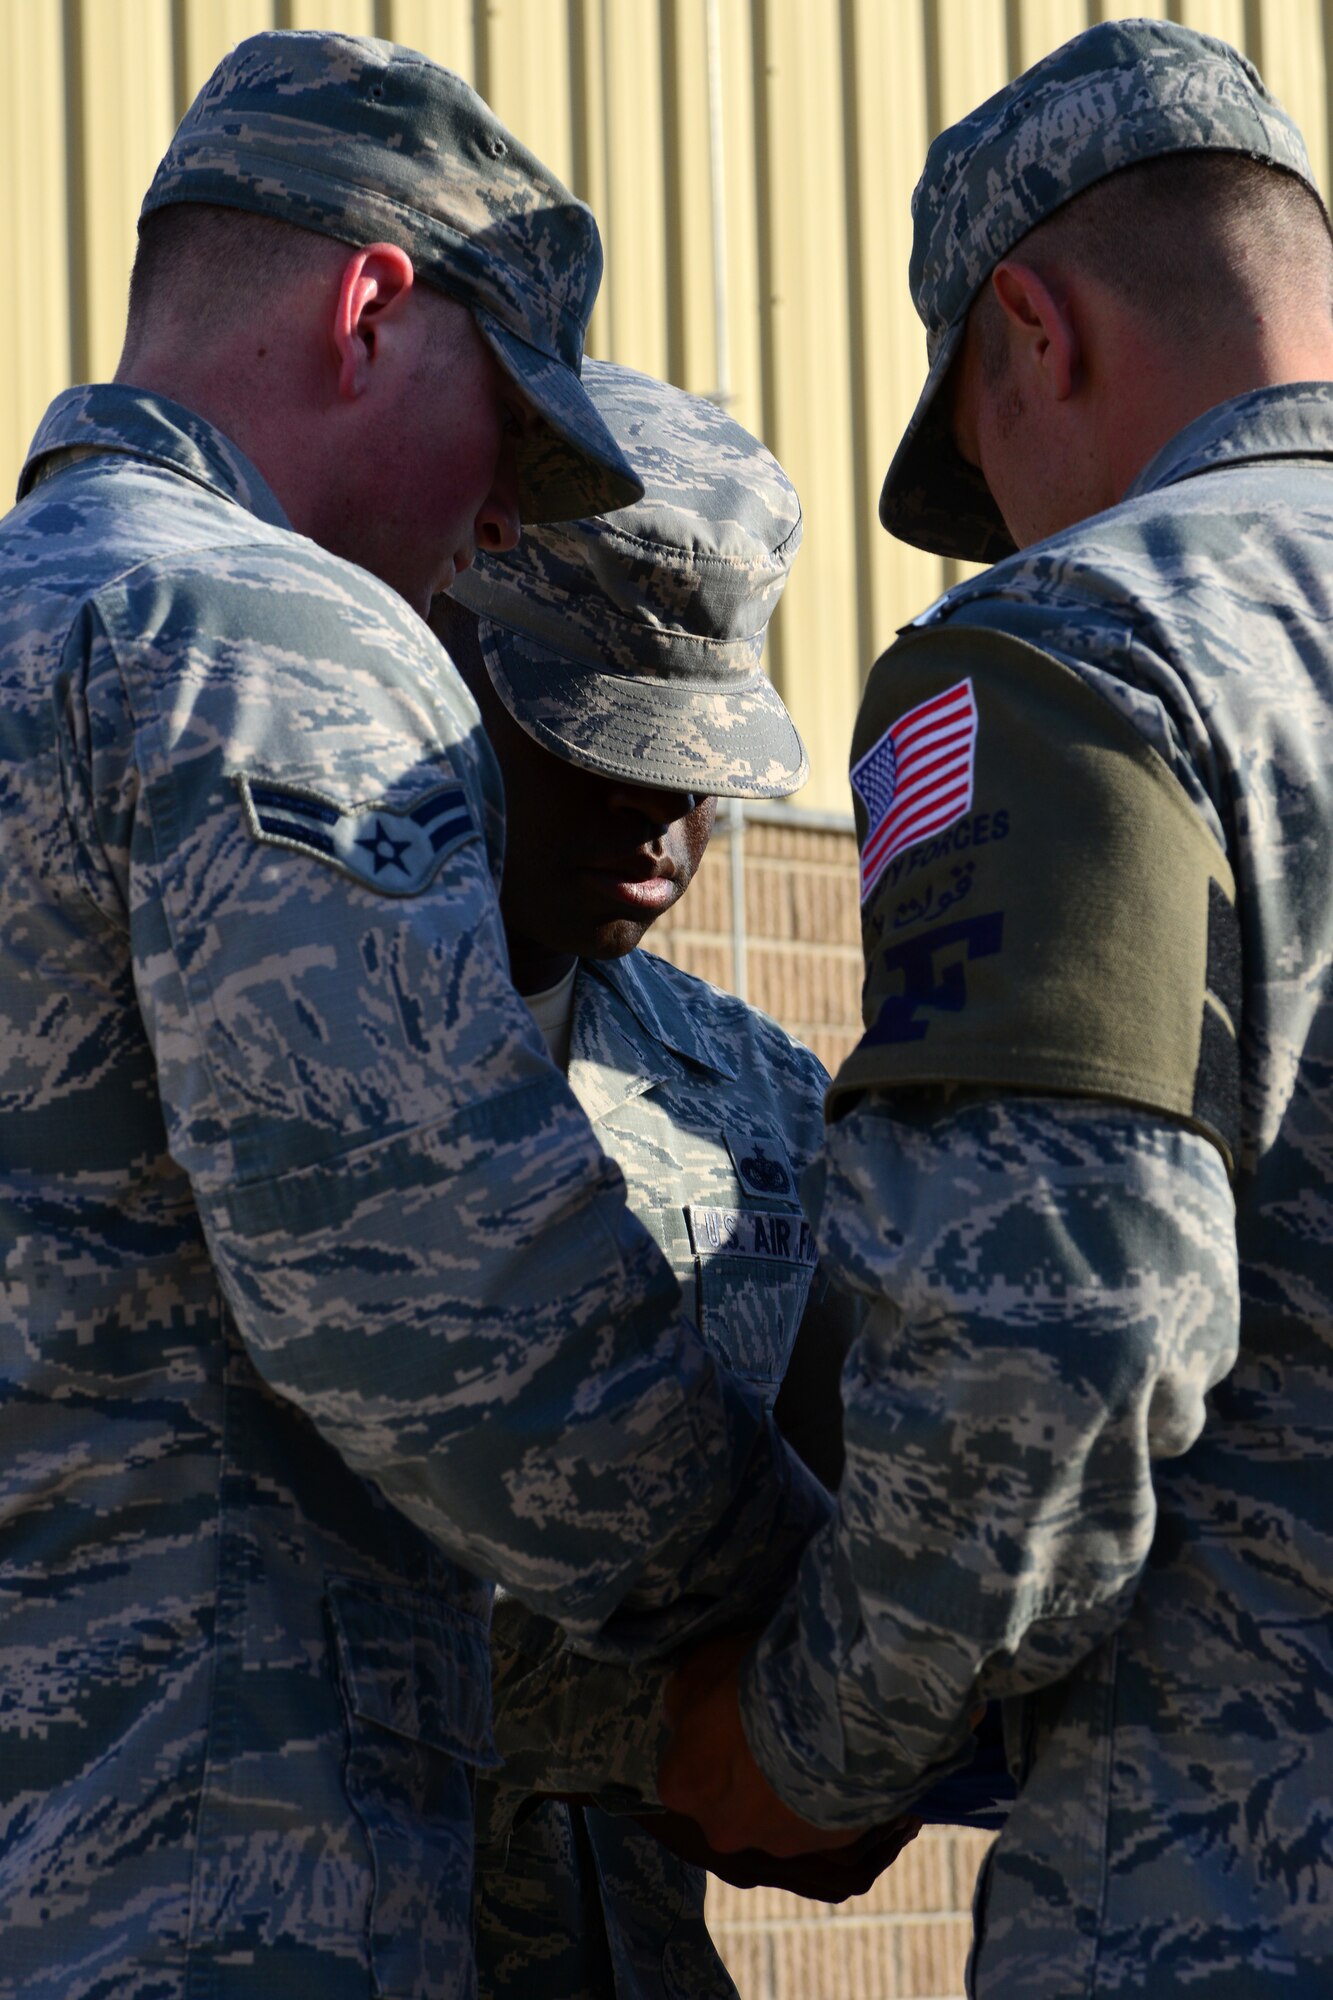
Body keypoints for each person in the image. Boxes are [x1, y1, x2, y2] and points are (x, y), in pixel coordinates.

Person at [0, 32, 828, 2000]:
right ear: (374, 305)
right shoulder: (269, 634)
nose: (481, 532)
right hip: (201, 1882)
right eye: (501, 441)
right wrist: (804, 1643)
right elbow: (442, 1290)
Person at [660, 17, 1333, 1995]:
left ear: (1027, 332)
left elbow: (1063, 1314)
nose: (1013, 521)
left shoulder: (1082, 646)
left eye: (978, 466)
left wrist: (809, 1741)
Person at [431, 357, 870, 1999]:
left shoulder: (755, 1096)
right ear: (451, 664)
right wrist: (687, 1719)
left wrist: (859, 1728)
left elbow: (841, 1516)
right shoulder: (250, 1035)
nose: (664, 821)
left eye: (696, 764)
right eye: (600, 748)